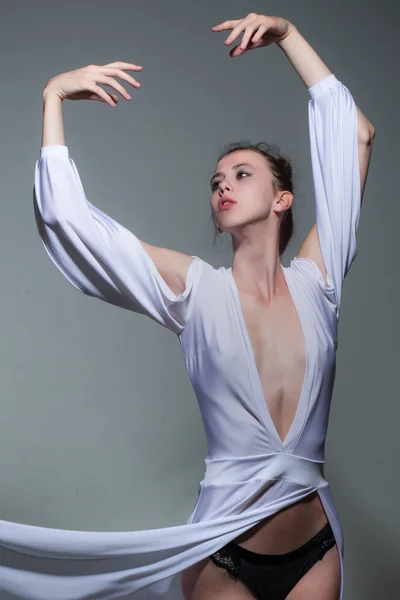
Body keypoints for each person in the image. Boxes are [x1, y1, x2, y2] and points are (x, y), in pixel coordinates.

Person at [0, 11, 375, 600]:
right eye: (216, 179)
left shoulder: (318, 281)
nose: (222, 186)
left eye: (242, 174)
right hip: (223, 556)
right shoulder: (198, 289)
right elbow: (70, 222)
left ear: (283, 197)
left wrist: (288, 36)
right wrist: (54, 97)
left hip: (316, 550)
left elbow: (356, 135)